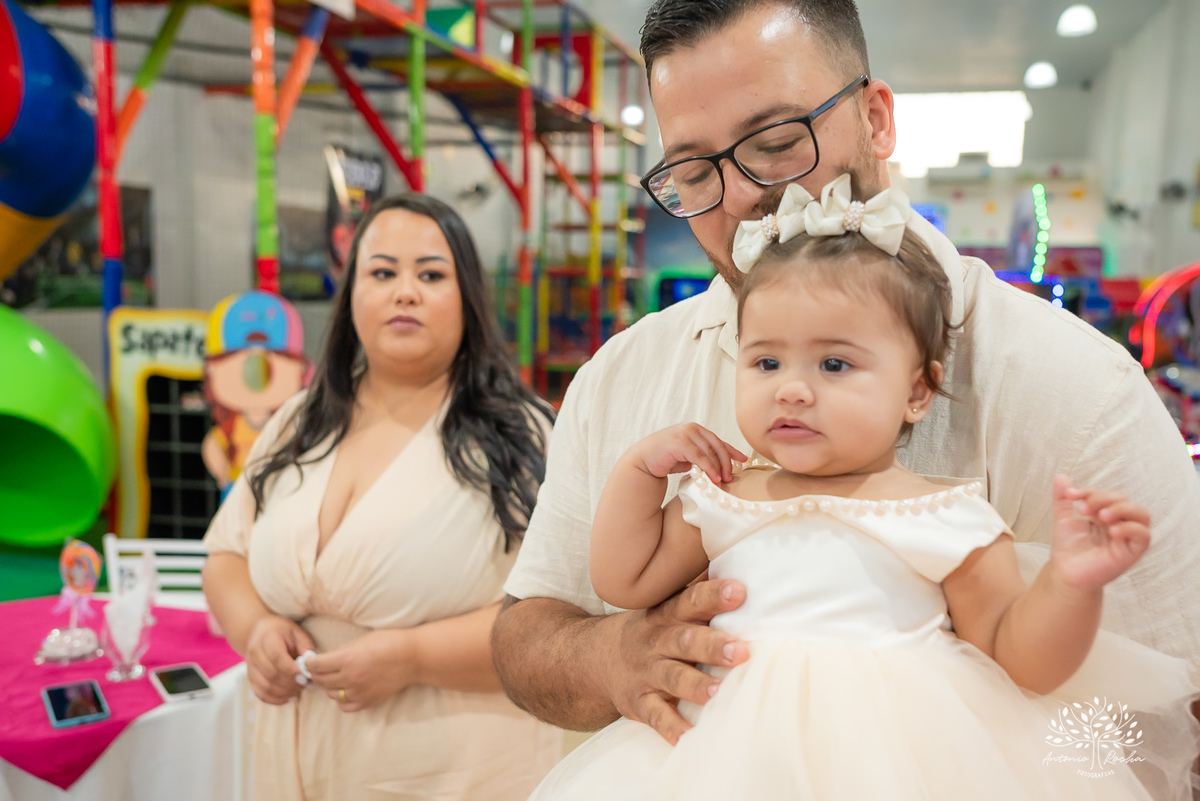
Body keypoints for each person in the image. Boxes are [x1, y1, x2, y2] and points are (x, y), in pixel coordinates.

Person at [492, 0, 1200, 749]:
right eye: (693, 170)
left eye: (773, 142)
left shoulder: (1080, 392)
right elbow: (526, 630)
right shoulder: (623, 378)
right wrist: (615, 656)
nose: (737, 199)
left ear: (877, 120)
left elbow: (1163, 718)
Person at [526, 177, 1199, 800]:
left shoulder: (943, 513)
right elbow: (625, 578)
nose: (792, 385)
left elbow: (1020, 656)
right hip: (724, 761)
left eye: (835, 363)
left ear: (916, 390)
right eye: (765, 359)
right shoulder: (726, 496)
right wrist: (638, 474)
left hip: (906, 763)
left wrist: (1071, 584)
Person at [201, 193, 561, 801]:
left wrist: (413, 657)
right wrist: (257, 628)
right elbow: (226, 556)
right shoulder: (299, 421)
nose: (405, 292)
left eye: (431, 274)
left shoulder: (521, 433)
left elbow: (556, 613)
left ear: (466, 298)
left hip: (457, 769)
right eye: (383, 272)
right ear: (352, 297)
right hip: (291, 756)